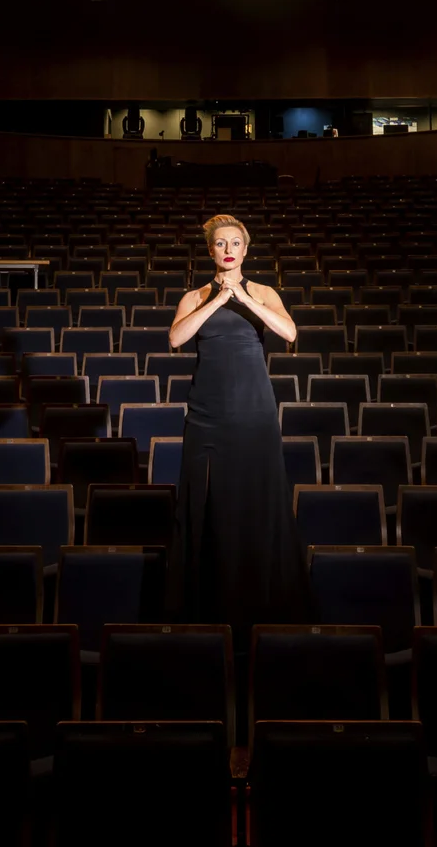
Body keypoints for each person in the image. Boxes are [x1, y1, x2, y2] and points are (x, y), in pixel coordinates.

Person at [166, 213, 307, 639]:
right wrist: (217, 299)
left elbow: (289, 332)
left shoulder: (264, 292)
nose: (228, 250)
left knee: (256, 501)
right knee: (208, 503)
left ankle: (263, 605)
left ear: (246, 250)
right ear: (210, 251)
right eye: (220, 244)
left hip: (254, 411)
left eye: (235, 244)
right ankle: (205, 608)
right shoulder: (194, 296)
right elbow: (176, 339)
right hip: (207, 413)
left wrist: (244, 299)